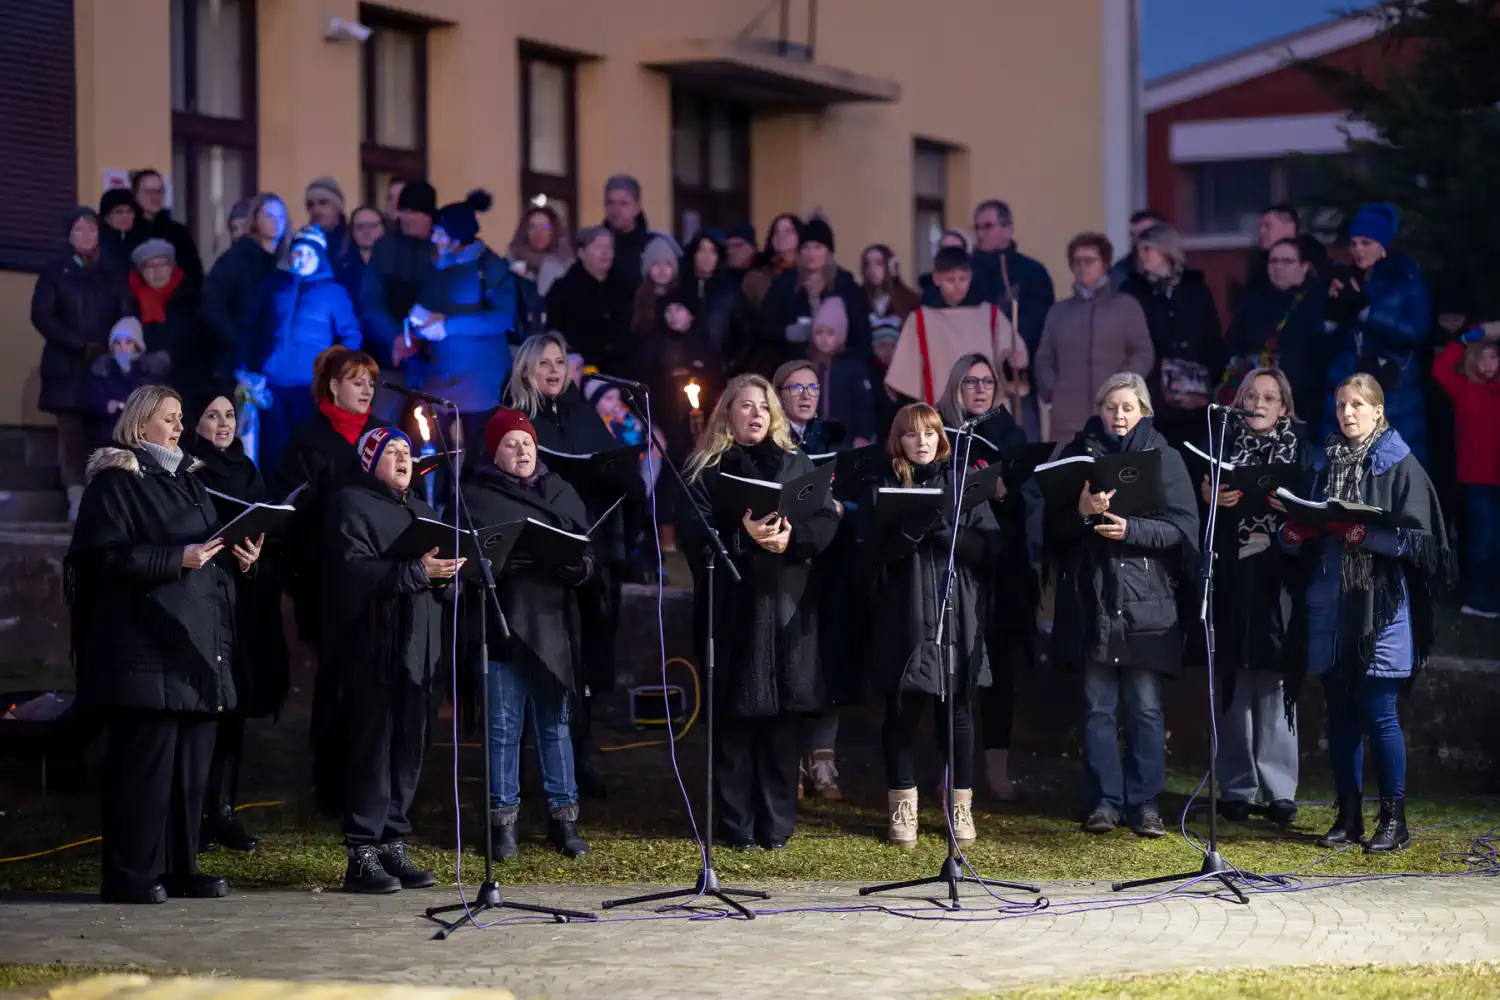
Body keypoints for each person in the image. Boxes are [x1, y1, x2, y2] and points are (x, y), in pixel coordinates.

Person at [65, 385, 262, 903]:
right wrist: (176, 559)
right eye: (169, 418)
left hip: (197, 646)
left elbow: (207, 547)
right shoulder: (116, 482)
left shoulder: (188, 481)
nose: (179, 426)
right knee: (144, 771)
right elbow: (100, 559)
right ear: (140, 422)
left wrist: (239, 558)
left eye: (179, 418)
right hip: (145, 648)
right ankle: (130, 874)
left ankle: (180, 868)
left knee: (188, 771)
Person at [1283, 374, 1450, 853]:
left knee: (1379, 713)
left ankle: (1394, 821)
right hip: (1331, 602)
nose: (1348, 413)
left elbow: (1423, 542)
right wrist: (1292, 536)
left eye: (1358, 404)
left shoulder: (1400, 464)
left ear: (1379, 411)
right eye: (1340, 405)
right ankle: (1348, 814)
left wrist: (1365, 536)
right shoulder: (1324, 462)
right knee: (1339, 713)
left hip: (1380, 605)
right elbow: (1308, 519)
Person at [682, 374, 840, 849]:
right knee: (733, 726)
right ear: (726, 413)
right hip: (733, 609)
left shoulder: (796, 464)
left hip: (789, 607)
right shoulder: (707, 469)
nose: (756, 414)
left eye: (764, 407)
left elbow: (825, 519)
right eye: (745, 406)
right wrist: (741, 538)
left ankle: (776, 827)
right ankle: (736, 828)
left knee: (782, 726)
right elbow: (694, 533)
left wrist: (793, 539)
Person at [1046, 372, 1199, 837]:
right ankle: (1103, 801)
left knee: (1146, 707)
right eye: (1111, 406)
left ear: (1144, 411)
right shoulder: (1077, 453)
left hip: (1147, 601)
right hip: (1094, 598)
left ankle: (1145, 803)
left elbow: (1182, 528)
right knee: (1097, 706)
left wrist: (1133, 530)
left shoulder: (1165, 456)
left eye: (1128, 407)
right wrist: (1082, 513)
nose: (1119, 415)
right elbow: (1051, 528)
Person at [504, 333, 643, 798]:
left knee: (586, 665)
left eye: (560, 360)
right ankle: (528, 774)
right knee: (543, 666)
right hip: (538, 563)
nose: (554, 369)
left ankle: (580, 760)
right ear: (525, 368)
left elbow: (618, 477)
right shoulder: (515, 419)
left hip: (592, 557)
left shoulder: (584, 415)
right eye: (544, 361)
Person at [322, 425, 455, 892]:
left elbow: (438, 578)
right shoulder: (350, 505)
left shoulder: (423, 510)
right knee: (372, 750)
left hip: (419, 650)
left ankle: (393, 841)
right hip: (373, 649)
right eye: (392, 451)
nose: (404, 458)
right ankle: (362, 852)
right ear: (369, 461)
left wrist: (447, 576)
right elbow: (350, 572)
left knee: (408, 749)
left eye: (408, 451)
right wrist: (415, 571)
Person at [862, 403, 1000, 846]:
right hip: (903, 613)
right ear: (897, 440)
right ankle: (903, 805)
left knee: (957, 712)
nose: (921, 442)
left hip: (955, 610)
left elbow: (991, 548)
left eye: (929, 433)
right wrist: (909, 532)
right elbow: (871, 552)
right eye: (911, 434)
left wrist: (952, 536)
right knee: (902, 711)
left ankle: (959, 806)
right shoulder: (884, 483)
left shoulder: (962, 485)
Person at [462, 408, 594, 859]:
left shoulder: (559, 489)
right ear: (493, 452)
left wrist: (575, 565)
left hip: (552, 622)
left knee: (555, 725)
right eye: (510, 443)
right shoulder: (475, 495)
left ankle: (565, 820)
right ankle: (503, 825)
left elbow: (586, 552)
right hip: (504, 623)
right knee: (503, 728)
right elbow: (468, 557)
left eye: (527, 442)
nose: (522, 450)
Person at [273, 347, 383, 814]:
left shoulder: (382, 438)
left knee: (372, 680)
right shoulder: (308, 440)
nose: (366, 390)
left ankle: (370, 780)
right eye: (356, 380)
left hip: (377, 578)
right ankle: (331, 782)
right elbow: (294, 510)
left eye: (371, 383)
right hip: (327, 578)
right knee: (337, 677)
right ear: (333, 385)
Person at [182, 391, 290, 852]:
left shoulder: (247, 470)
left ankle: (224, 810)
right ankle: (192, 816)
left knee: (235, 707)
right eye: (212, 415)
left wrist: (255, 558)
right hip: (201, 601)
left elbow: (266, 532)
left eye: (230, 415)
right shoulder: (187, 471)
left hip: (243, 603)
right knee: (202, 710)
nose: (223, 424)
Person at [1204, 369, 1309, 825]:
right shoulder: (1221, 449)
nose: (1259, 404)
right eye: (1251, 396)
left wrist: (1295, 513)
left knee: (1275, 681)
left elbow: (1316, 518)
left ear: (1284, 406)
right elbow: (1200, 525)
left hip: (1280, 578)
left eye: (1270, 397)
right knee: (1234, 682)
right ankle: (1237, 785)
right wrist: (1210, 497)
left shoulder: (1302, 453)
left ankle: (1280, 789)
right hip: (1233, 574)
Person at [937, 353, 1036, 800]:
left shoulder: (1010, 434)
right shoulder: (937, 432)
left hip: (1003, 567)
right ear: (956, 387)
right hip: (954, 564)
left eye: (988, 383)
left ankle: (997, 767)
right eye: (971, 382)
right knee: (952, 670)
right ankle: (951, 769)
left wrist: (1005, 490)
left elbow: (1031, 498)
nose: (980, 390)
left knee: (999, 668)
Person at [398, 189, 518, 450]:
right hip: (439, 381)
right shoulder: (436, 266)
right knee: (435, 455)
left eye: (441, 233)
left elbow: (503, 317)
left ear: (458, 237)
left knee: (478, 453)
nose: (435, 238)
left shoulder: (490, 267)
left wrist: (448, 325)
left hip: (480, 387)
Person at [31, 207, 130, 521]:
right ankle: (76, 499)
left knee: (103, 432)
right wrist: (78, 344)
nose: (86, 234)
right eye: (79, 229)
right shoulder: (55, 270)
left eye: (91, 228)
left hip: (105, 365)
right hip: (67, 366)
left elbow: (125, 310)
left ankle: (103, 499)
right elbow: (42, 314)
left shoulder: (112, 271)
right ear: (69, 235)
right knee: (71, 435)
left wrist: (111, 346)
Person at [242, 225, 362, 478]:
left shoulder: (333, 293)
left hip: (310, 386)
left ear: (320, 256)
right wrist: (245, 368)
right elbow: (250, 327)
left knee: (307, 448)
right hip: (270, 384)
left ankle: (306, 504)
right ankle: (272, 505)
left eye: (309, 253)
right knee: (272, 449)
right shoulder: (273, 286)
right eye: (297, 252)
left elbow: (351, 335)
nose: (301, 258)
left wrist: (335, 372)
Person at [1321, 203, 1432, 466]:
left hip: (1395, 394)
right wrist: (1330, 318)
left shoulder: (1407, 279)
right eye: (1354, 243)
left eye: (1366, 242)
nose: (1358, 250)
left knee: (1394, 476)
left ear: (1382, 245)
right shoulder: (1346, 278)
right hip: (1348, 393)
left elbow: (1418, 331)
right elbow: (1326, 345)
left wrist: (1367, 313)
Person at [1036, 233, 1155, 449]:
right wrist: (1053, 390)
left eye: (1090, 260)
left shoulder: (1125, 307)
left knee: (1113, 476)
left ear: (1105, 264)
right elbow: (1044, 357)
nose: (1083, 267)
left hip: (1115, 414)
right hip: (1067, 418)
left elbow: (1143, 352)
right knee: (1067, 475)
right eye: (1077, 261)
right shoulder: (1059, 312)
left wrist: (1124, 386)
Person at [885, 246, 1028, 409]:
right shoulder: (921, 319)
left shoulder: (990, 315)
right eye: (950, 280)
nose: (958, 286)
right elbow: (904, 377)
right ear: (937, 279)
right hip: (941, 413)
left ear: (971, 276)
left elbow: (1012, 362)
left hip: (989, 415)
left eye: (963, 279)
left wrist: (1014, 361)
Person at [1121, 223, 1224, 447]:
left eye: (1148, 249)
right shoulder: (1132, 292)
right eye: (1139, 250)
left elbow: (1212, 337)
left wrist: (1210, 376)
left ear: (1166, 251)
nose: (1142, 256)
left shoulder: (1195, 289)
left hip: (1195, 397)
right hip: (1153, 397)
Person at [1430, 325, 1500, 618]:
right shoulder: (1463, 386)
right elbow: (1440, 367)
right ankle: (1479, 599)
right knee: (1481, 541)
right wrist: (1469, 336)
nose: (1488, 364)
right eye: (1482, 357)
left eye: (1494, 358)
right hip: (1475, 479)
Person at [1221, 237, 1327, 425]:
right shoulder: (1254, 301)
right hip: (1255, 402)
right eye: (1273, 261)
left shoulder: (1318, 301)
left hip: (1302, 404)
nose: (1278, 267)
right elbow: (1232, 345)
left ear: (1304, 267)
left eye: (1287, 261)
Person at [759, 217, 873, 370]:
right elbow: (763, 326)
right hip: (793, 368)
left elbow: (861, 336)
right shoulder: (785, 283)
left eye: (818, 247)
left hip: (838, 370)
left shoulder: (845, 286)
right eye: (806, 247)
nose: (811, 253)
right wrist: (787, 333)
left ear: (828, 252)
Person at [202, 193, 289, 383]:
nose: (276, 222)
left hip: (280, 361)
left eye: (280, 217)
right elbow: (212, 305)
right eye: (268, 216)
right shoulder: (235, 259)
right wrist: (238, 340)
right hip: (239, 361)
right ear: (255, 220)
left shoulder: (290, 261)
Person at [360, 180, 437, 378]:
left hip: (434, 353)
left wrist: (419, 338)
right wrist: (394, 337)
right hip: (389, 351)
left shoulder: (442, 248)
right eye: (404, 210)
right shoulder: (385, 247)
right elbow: (370, 300)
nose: (407, 218)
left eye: (414, 212)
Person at [969, 201, 1055, 362]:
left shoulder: (1032, 272)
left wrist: (1010, 346)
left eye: (987, 226)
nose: (980, 234)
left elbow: (1037, 320)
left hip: (1015, 366)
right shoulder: (966, 271)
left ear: (1008, 229)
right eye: (977, 228)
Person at [546, 225, 631, 373]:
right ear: (581, 252)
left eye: (610, 247)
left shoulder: (624, 285)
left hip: (621, 367)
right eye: (598, 247)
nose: (606, 253)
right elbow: (554, 328)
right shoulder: (563, 288)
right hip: (580, 368)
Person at [127, 238, 203, 390]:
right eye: (150, 266)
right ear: (140, 272)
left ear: (172, 267)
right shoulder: (129, 301)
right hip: (144, 386)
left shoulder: (191, 297)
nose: (157, 271)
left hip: (187, 384)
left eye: (163, 264)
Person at [801, 297, 876, 446]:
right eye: (819, 332)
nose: (824, 339)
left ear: (841, 335)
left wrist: (862, 435)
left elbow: (864, 406)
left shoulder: (852, 367)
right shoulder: (808, 366)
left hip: (845, 440)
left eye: (830, 333)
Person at [84, 319, 171, 441]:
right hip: (112, 435)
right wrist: (105, 405)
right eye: (117, 343)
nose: (122, 348)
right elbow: (91, 396)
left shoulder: (150, 372)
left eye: (128, 342)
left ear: (137, 345)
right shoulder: (103, 370)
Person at [131, 169, 204, 287]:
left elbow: (194, 275)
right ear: (135, 195)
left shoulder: (178, 232)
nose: (155, 197)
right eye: (149, 192)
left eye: (159, 191)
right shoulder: (128, 231)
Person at [506, 203, 573, 298]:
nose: (539, 232)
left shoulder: (567, 265)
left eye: (546, 227)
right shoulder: (512, 262)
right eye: (532, 227)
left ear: (554, 230)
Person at [741, 213, 801, 318]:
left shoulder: (808, 271)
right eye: (777, 232)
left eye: (788, 231)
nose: (781, 236)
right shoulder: (758, 277)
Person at [603, 175, 652, 295]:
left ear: (637, 207)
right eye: (611, 203)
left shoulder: (653, 247)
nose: (616, 210)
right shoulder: (592, 245)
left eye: (623, 204)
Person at [861, 244, 921, 331]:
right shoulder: (859, 298)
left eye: (879, 263)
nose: (872, 269)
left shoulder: (909, 299)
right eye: (867, 264)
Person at [333, 204, 385, 304]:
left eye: (372, 226)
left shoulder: (396, 263)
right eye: (360, 227)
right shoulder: (340, 267)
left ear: (383, 228)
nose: (366, 231)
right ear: (352, 230)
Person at [1108, 209, 1166, 292]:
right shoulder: (1121, 273)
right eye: (1133, 236)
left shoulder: (1181, 274)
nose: (1136, 242)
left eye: (1144, 235)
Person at [99, 188, 142, 270]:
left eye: (129, 211)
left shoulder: (141, 242)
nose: (125, 216)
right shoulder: (96, 244)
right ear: (106, 216)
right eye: (118, 212)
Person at [304, 176, 348, 253]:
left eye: (323, 202)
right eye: (310, 205)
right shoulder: (303, 243)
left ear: (338, 206)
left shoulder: (355, 241)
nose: (315, 210)